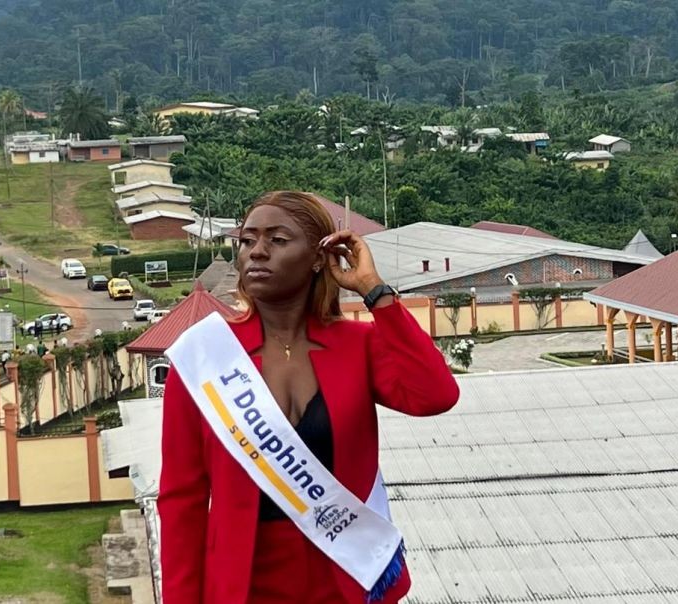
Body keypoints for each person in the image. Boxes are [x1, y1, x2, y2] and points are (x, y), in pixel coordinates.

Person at [158, 191, 460, 604]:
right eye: (247, 241)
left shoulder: (358, 346)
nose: (257, 253)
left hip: (346, 581)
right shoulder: (203, 358)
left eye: (277, 240)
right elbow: (182, 502)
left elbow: (435, 395)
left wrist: (374, 290)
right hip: (242, 587)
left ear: (320, 257)